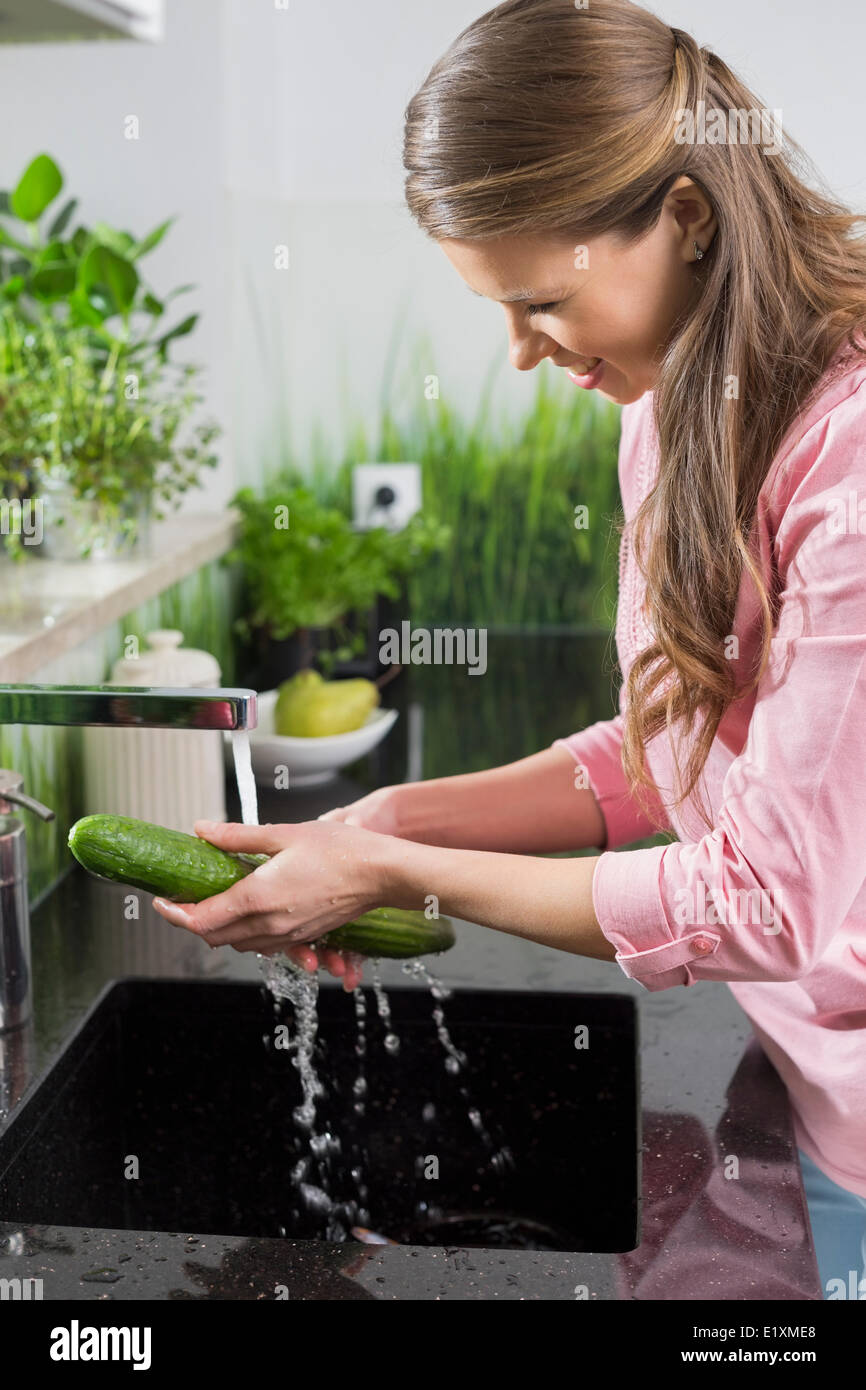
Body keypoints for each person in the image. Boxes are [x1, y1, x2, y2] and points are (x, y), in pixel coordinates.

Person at [153, 0, 866, 1297]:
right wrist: (390, 817)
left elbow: (767, 896)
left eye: (540, 300)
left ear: (688, 218)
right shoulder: (668, 404)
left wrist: (393, 869)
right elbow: (668, 752)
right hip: (812, 1087)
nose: (523, 353)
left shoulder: (850, 447)